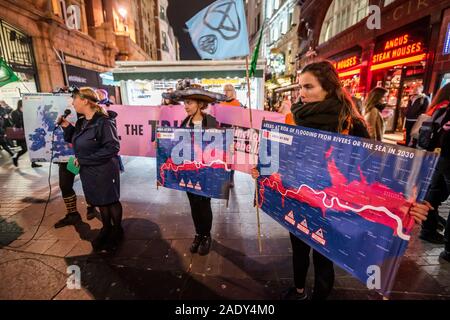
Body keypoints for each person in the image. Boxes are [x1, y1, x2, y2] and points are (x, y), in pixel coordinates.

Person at [251, 61, 432, 300]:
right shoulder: (293, 118)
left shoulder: (350, 122)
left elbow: (373, 169)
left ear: (327, 88)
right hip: (298, 196)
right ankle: (298, 289)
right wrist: (263, 169)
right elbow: (283, 157)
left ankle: (320, 295)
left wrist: (408, 201)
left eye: (308, 87)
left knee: (324, 253)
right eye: (300, 87)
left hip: (331, 203)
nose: (301, 93)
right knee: (298, 246)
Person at [163, 80, 228, 256]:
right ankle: (198, 234)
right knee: (193, 204)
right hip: (188, 172)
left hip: (206, 173)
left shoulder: (212, 122)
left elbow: (220, 147)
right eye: (185, 102)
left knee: (204, 205)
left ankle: (206, 236)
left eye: (189, 102)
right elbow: (176, 144)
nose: (186, 106)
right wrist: (162, 145)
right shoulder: (185, 122)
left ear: (200, 104)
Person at [59, 87, 123, 251]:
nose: (72, 103)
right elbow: (75, 139)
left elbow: (112, 148)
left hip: (104, 169)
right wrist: (66, 126)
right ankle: (106, 228)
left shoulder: (103, 121)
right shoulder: (81, 121)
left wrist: (84, 160)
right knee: (100, 201)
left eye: (75, 99)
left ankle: (117, 231)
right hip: (89, 170)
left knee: (110, 200)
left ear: (85, 101)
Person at [419, 83, 450, 255]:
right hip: (447, 158)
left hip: (436, 156)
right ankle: (448, 246)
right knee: (435, 193)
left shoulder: (437, 108)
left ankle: (428, 230)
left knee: (433, 193)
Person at [10, 100, 42, 168]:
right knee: (24, 149)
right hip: (20, 133)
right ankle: (15, 157)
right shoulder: (14, 112)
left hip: (29, 132)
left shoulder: (26, 112)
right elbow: (16, 124)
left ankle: (33, 163)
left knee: (33, 148)